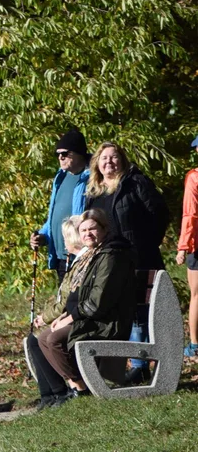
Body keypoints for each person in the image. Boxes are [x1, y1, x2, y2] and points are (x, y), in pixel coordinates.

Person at [85, 142, 168, 382]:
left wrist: (148, 243)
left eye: (114, 157)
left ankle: (143, 364)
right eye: (104, 158)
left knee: (142, 312)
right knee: (123, 312)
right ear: (97, 164)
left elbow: (159, 213)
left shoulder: (136, 183)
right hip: (109, 263)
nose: (109, 162)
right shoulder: (95, 192)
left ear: (122, 160)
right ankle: (133, 365)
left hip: (139, 257)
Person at [36, 208, 136, 397]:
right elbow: (81, 295)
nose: (88, 234)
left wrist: (70, 319)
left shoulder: (111, 255)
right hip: (93, 316)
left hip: (108, 321)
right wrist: (66, 316)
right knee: (42, 338)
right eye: (83, 231)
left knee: (53, 339)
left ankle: (81, 387)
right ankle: (76, 384)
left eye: (92, 229)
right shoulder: (94, 254)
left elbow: (98, 302)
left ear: (104, 229)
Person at [28, 217, 85, 409]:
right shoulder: (75, 263)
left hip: (82, 319)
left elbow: (69, 301)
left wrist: (45, 317)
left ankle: (62, 390)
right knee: (34, 339)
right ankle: (49, 394)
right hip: (71, 315)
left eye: (65, 238)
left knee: (43, 338)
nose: (63, 243)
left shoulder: (82, 263)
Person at [30, 129, 90, 282]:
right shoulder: (60, 177)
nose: (60, 157)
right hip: (60, 255)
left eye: (65, 153)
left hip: (81, 254)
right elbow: (55, 214)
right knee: (64, 303)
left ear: (79, 153)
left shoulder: (92, 178)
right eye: (58, 154)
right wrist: (43, 235)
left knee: (79, 302)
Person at [176, 135, 198, 357]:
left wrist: (183, 246)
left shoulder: (194, 178)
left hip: (197, 245)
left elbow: (190, 213)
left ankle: (194, 343)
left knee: (196, 295)